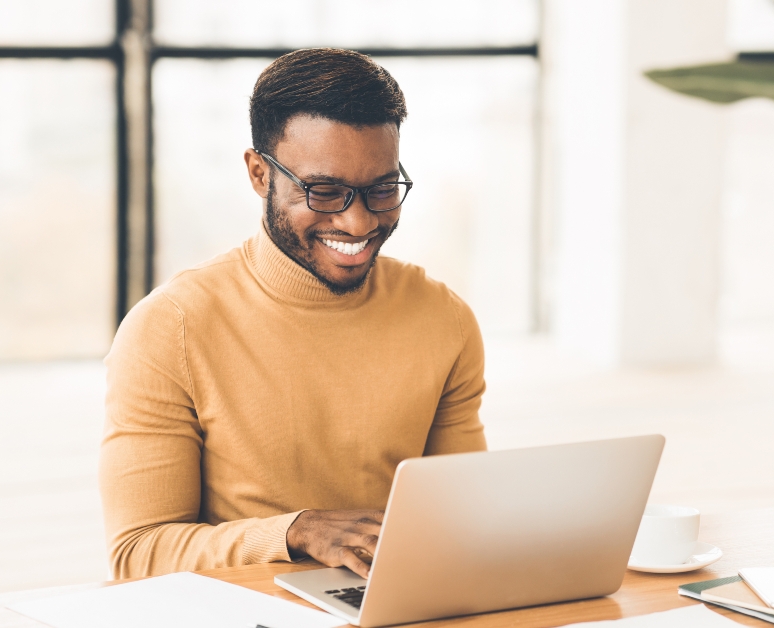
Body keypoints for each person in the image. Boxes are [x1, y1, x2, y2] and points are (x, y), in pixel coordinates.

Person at [100, 48, 487, 580]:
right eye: (325, 192)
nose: (357, 223)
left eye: (381, 189)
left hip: (397, 604)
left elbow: (467, 516)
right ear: (260, 174)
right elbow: (138, 553)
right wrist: (295, 531)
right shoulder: (171, 328)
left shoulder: (445, 319)